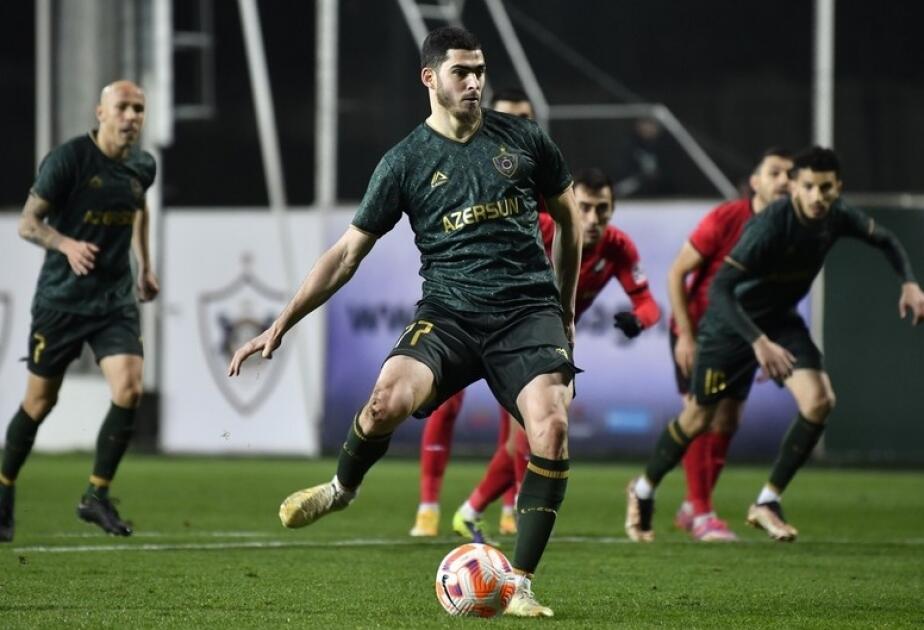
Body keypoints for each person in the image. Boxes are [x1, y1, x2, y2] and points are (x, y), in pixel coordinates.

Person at [228, 27, 581, 617]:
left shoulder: (523, 139)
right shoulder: (404, 162)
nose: (474, 82)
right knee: (383, 402)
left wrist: (563, 308)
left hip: (526, 312)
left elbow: (570, 221)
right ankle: (341, 489)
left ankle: (519, 586)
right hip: (449, 313)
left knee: (551, 428)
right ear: (430, 78)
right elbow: (346, 254)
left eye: (479, 70)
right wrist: (281, 322)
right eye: (461, 72)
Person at [625, 146, 924, 543]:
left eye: (826, 188)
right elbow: (720, 290)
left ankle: (767, 501)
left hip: (781, 321)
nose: (817, 196)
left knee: (819, 401)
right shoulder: (767, 225)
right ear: (795, 187)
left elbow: (885, 238)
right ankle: (644, 488)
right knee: (698, 418)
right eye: (808, 187)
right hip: (730, 326)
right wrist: (758, 343)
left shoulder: (837, 215)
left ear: (838, 188)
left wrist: (909, 282)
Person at [450, 167, 661, 541]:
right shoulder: (543, 229)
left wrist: (639, 320)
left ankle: (470, 512)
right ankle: (519, 514)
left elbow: (648, 304)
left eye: (602, 209)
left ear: (613, 210)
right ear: (569, 205)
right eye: (584, 208)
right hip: (516, 334)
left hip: (556, 341)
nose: (592, 219)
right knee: (532, 432)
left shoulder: (618, 247)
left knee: (526, 436)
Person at [0, 80, 158, 542]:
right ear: (101, 112)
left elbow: (139, 208)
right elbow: (28, 222)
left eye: (139, 108)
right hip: (62, 301)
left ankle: (96, 495)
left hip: (113, 300)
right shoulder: (68, 160)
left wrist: (146, 265)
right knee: (39, 402)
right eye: (123, 107)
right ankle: (4, 488)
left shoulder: (142, 166)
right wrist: (66, 244)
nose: (131, 116)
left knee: (129, 387)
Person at [409, 87, 541, 542]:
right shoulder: (456, 164)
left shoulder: (540, 177)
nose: (519, 127)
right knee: (442, 402)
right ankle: (429, 507)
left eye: (527, 118)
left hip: (518, 317)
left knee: (522, 418)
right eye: (510, 117)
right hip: (461, 307)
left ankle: (508, 508)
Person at [666, 148, 793, 542]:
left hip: (742, 336)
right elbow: (677, 272)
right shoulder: (727, 218)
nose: (784, 181)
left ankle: (692, 505)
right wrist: (685, 335)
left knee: (728, 421)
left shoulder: (791, 231)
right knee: (700, 414)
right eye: (775, 172)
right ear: (755, 182)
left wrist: (765, 343)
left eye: (790, 174)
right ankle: (701, 512)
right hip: (700, 331)